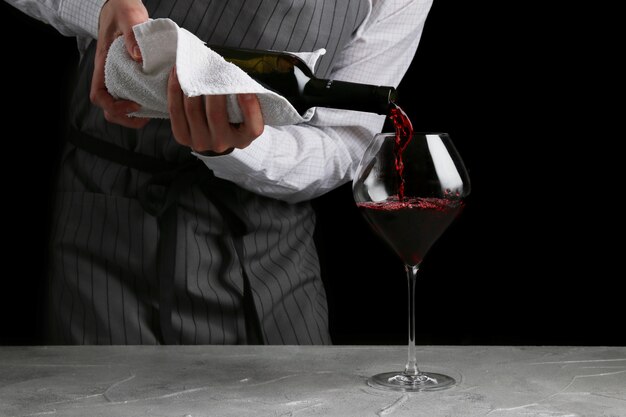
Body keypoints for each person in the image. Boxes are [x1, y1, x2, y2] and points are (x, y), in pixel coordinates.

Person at [5, 0, 433, 345]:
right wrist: (98, 6)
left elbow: (342, 142)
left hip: (269, 253)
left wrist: (239, 147)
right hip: (109, 228)